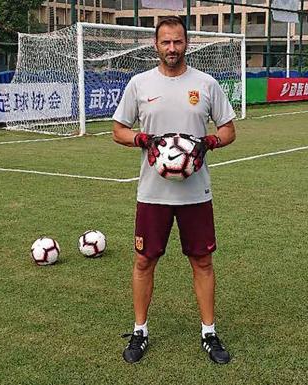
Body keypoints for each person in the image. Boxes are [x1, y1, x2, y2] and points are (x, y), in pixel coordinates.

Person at [112, 16, 236, 365]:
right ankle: (140, 330)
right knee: (143, 260)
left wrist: (209, 142)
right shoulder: (139, 84)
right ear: (156, 45)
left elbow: (229, 129)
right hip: (152, 194)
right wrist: (141, 139)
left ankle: (209, 332)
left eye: (177, 42)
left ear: (187, 43)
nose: (172, 48)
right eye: (165, 42)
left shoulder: (207, 84)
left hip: (196, 194)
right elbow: (118, 129)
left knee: (203, 261)